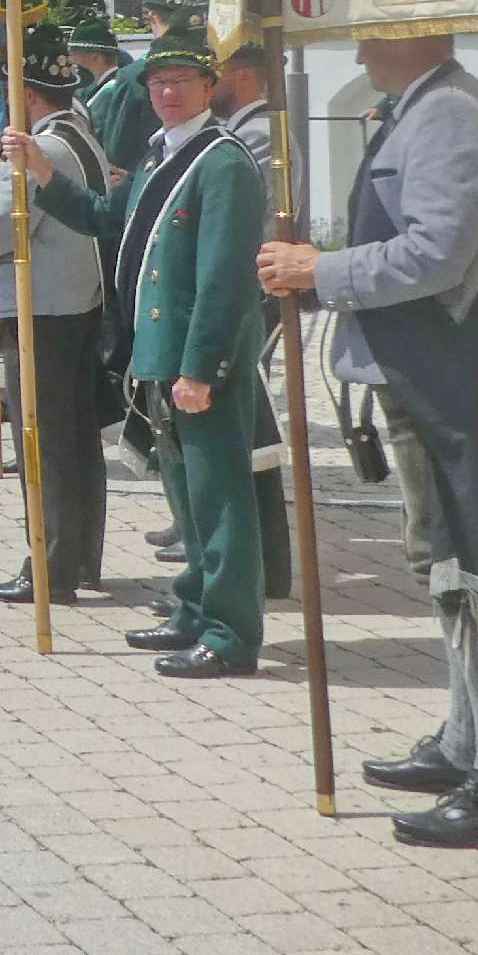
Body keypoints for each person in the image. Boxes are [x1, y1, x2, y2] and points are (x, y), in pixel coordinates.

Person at [261, 32, 478, 847]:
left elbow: (437, 254)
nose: (359, 52)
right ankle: (465, 742)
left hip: (446, 369)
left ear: (415, 34)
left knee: (467, 563)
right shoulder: (428, 106)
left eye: (373, 35)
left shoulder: (448, 112)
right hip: (424, 366)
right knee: (444, 562)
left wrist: (321, 271)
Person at [14, 7, 269, 676]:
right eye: (158, 81)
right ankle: (194, 609)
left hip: (197, 358)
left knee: (218, 498)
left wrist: (201, 366)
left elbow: (223, 277)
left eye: (182, 80)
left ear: (208, 86)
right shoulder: (162, 154)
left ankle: (230, 632)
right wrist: (42, 172)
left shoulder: (223, 163)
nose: (167, 91)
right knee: (185, 498)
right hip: (158, 354)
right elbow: (107, 219)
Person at [0, 25, 109, 604]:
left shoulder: (43, 149)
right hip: (74, 304)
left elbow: (0, 233)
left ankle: (51, 566)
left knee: (45, 442)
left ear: (28, 95)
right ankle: (77, 558)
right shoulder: (75, 132)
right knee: (75, 440)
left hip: (42, 312)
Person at [212, 41, 296, 601]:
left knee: (247, 433)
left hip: (249, 292)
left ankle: (263, 562)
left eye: (213, 70)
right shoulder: (245, 130)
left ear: (241, 76)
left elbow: (243, 224)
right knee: (243, 431)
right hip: (244, 290)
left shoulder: (257, 134)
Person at [69, 0, 158, 174]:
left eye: (75, 54)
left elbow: (104, 143)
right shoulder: (99, 88)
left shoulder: (110, 92)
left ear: (95, 56)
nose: (72, 60)